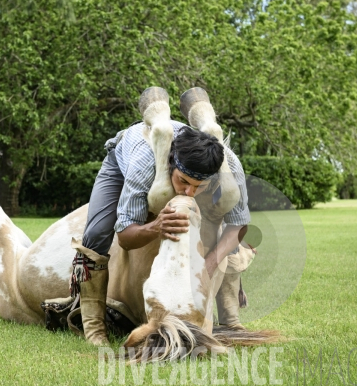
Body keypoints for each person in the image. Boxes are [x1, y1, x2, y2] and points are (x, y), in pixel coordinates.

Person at [70, 89, 250, 346]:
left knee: (222, 222)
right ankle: (95, 328)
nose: (189, 193)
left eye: (199, 186)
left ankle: (231, 318)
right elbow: (125, 237)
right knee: (97, 233)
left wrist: (209, 264)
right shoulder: (143, 164)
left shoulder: (230, 165)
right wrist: (156, 225)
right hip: (123, 159)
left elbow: (238, 224)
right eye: (183, 182)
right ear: (171, 167)